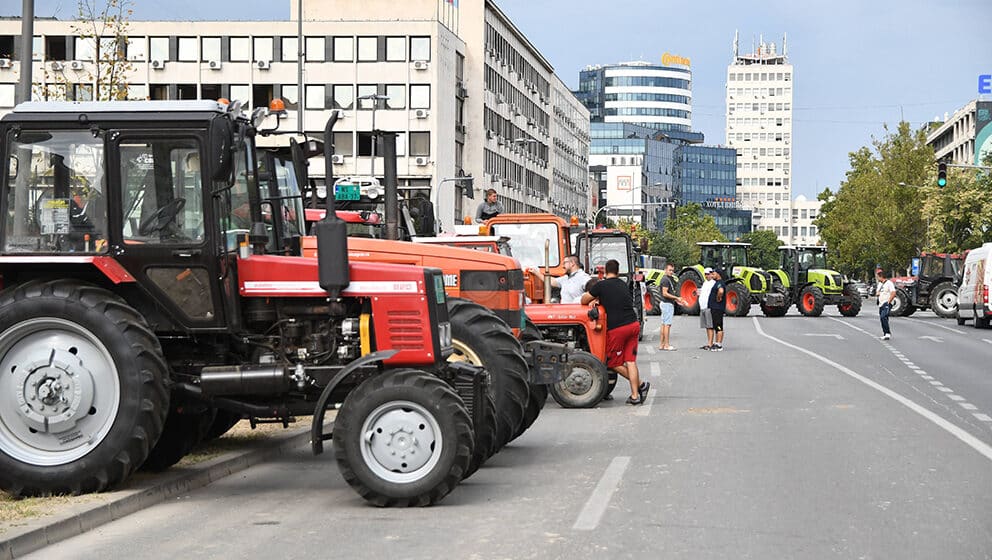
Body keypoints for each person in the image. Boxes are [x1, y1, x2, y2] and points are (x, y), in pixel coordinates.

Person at [581, 259, 650, 405]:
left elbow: (583, 300)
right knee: (630, 361)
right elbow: (616, 299)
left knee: (613, 363)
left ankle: (642, 385)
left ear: (605, 271)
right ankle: (635, 396)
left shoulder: (601, 285)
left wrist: (595, 298)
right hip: (633, 325)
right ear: (618, 272)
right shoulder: (623, 285)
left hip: (618, 328)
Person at [657, 262, 685, 350]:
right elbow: (665, 293)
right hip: (667, 304)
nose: (671, 272)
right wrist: (676, 298)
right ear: (665, 270)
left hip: (666, 303)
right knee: (667, 325)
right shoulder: (665, 280)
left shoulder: (669, 279)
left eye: (672, 270)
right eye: (669, 270)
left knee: (663, 324)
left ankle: (662, 344)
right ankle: (666, 345)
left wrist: (676, 300)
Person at [708, 269, 727, 351]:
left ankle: (719, 344)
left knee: (718, 325)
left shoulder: (719, 283)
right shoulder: (717, 283)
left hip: (717, 308)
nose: (712, 275)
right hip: (715, 308)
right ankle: (716, 342)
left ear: (718, 274)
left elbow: (721, 291)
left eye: (714, 273)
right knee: (716, 325)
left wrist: (718, 297)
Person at [876, 268, 896, 340]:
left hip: (886, 303)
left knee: (883, 316)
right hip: (881, 304)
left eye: (877, 277)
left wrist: (888, 302)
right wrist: (877, 294)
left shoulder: (889, 283)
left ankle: (887, 333)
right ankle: (885, 333)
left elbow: (893, 293)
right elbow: (878, 292)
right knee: (884, 318)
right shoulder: (880, 284)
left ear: (880, 276)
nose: (877, 278)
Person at [698, 267, 716, 350]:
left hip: (709, 307)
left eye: (708, 274)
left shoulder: (713, 283)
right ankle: (709, 342)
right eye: (705, 274)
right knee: (707, 326)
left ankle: (710, 343)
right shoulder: (705, 283)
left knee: (710, 326)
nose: (706, 276)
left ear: (712, 274)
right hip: (703, 307)